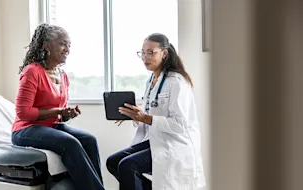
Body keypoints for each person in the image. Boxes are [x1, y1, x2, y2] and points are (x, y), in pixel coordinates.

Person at [106, 33, 206, 190]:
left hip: (175, 144)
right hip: (155, 139)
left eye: (151, 52)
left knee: (128, 166)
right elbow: (152, 110)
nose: (145, 57)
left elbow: (180, 124)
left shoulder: (176, 82)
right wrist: (134, 115)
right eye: (143, 53)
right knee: (113, 162)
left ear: (164, 53)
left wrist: (145, 118)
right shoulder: (152, 79)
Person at [11, 23, 105, 190]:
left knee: (90, 140)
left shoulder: (63, 76)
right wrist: (58, 111)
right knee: (70, 143)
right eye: (62, 43)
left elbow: (58, 114)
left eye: (69, 45)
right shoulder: (32, 71)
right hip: (26, 129)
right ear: (47, 46)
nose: (67, 49)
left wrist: (66, 114)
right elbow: (23, 112)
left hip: (52, 126)